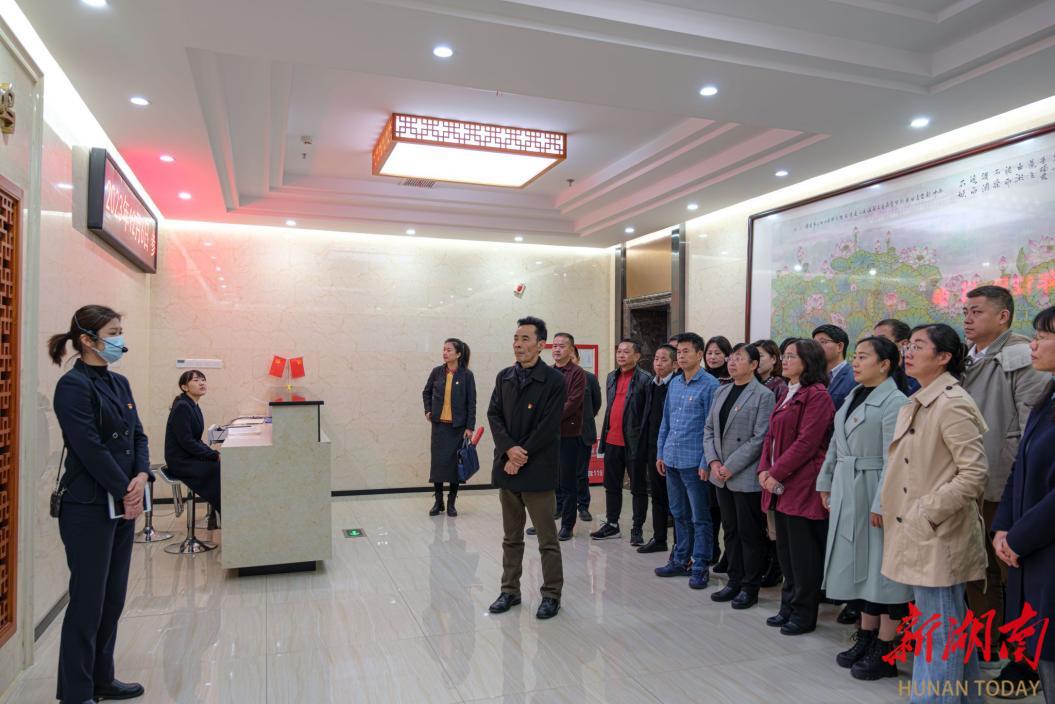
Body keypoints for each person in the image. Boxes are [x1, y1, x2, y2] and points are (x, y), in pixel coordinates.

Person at [881, 323, 988, 703]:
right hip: (921, 529)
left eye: (918, 346)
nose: (908, 352)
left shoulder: (952, 402)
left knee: (938, 632)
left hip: (939, 533)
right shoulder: (920, 398)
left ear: (943, 357)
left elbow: (974, 473)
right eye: (908, 346)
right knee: (947, 627)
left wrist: (926, 513)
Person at [48, 306, 151, 704]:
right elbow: (89, 447)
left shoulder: (119, 383)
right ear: (87, 340)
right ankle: (76, 692)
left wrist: (141, 475)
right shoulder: (72, 386)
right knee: (87, 601)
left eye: (120, 331)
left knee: (112, 598)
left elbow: (138, 435)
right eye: (113, 332)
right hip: (89, 507)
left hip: (123, 504)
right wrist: (126, 489)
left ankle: (102, 678)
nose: (120, 339)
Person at [961, 285, 1049, 685]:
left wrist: (1019, 487)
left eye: (977, 311)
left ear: (1003, 316)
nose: (968, 318)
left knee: (1013, 572)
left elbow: (1031, 429)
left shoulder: (1018, 355)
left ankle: (1025, 658)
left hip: (1004, 481)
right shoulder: (967, 358)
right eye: (966, 311)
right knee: (977, 570)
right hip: (971, 481)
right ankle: (987, 644)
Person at [816, 336, 911, 680]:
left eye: (863, 357)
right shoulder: (856, 394)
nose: (855, 363)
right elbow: (836, 444)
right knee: (862, 569)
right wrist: (826, 480)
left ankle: (886, 649)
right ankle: (866, 635)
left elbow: (894, 459)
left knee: (881, 574)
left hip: (874, 490)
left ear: (885, 364)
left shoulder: (896, 401)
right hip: (848, 486)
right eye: (855, 356)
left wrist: (881, 503)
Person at [993, 305, 1055, 699]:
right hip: (1032, 543)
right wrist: (1004, 526)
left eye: (1043, 337)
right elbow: (1021, 466)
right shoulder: (1047, 396)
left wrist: (1019, 537)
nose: (1033, 345)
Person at [487, 316, 566, 620]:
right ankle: (510, 590)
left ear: (540, 344)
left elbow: (548, 426)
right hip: (508, 468)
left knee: (547, 539)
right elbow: (494, 415)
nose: (518, 345)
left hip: (538, 470)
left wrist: (521, 454)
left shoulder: (554, 380)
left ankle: (551, 594)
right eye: (516, 338)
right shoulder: (504, 377)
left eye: (525, 339)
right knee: (511, 537)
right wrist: (509, 449)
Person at [758, 338, 835, 636]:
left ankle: (804, 612)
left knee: (804, 555)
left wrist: (775, 472)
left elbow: (807, 442)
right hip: (780, 483)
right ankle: (787, 605)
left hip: (803, 483)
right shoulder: (787, 391)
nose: (785, 361)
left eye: (792, 356)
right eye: (785, 356)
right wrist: (764, 469)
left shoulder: (817, 395)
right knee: (786, 551)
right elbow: (771, 436)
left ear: (809, 361)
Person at [703, 343, 775, 610]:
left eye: (739, 358)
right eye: (731, 358)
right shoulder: (721, 391)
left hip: (744, 475)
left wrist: (730, 466)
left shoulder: (764, 395)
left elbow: (760, 438)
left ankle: (750, 586)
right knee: (730, 530)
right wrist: (713, 461)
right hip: (720, 474)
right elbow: (709, 429)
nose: (732, 363)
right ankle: (734, 580)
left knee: (749, 533)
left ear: (754, 365)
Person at [654, 332, 720, 590]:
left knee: (699, 516)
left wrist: (706, 461)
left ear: (699, 354)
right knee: (679, 513)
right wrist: (661, 452)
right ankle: (681, 559)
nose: (680, 356)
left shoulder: (710, 385)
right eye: (679, 352)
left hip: (695, 463)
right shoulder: (675, 383)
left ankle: (700, 564)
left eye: (686, 351)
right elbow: (666, 421)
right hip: (671, 458)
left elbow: (711, 427)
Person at [593, 338, 652, 544]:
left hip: (634, 443)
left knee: (638, 488)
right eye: (619, 351)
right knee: (611, 485)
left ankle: (637, 528)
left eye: (626, 352)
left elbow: (647, 415)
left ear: (637, 356)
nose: (621, 355)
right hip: (612, 440)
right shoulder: (612, 376)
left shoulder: (645, 379)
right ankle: (612, 524)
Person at [422, 338, 477, 517]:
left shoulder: (467, 375)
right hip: (439, 427)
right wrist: (428, 410)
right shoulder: (437, 372)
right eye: (444, 349)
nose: (445, 353)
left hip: (457, 428)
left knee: (455, 466)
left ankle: (451, 502)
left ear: (458, 354)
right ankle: (438, 501)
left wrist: (470, 427)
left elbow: (471, 403)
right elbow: (426, 392)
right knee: (438, 465)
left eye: (449, 350)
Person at [753, 338, 787, 588]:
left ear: (774, 359)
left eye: (762, 356)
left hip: (768, 460)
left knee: (771, 521)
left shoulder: (779, 387)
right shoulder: (753, 384)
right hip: (755, 463)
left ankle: (774, 568)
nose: (756, 361)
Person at [164, 370, 222, 513]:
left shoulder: (192, 405)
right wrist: (213, 455)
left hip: (189, 456)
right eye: (196, 380)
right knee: (217, 469)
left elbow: (196, 440)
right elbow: (187, 441)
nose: (201, 383)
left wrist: (213, 453)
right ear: (184, 387)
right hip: (181, 461)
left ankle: (219, 511)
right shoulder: (182, 406)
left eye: (203, 380)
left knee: (220, 464)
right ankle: (221, 510)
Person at [638, 344, 677, 554]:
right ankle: (659, 538)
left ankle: (680, 545)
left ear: (674, 364)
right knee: (657, 495)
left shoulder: (676, 385)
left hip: (671, 449)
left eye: (664, 359)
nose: (658, 363)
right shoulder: (651, 384)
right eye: (656, 359)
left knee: (676, 500)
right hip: (653, 447)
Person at [551, 332, 586, 541]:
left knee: (567, 482)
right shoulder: (546, 372)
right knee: (547, 482)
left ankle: (567, 525)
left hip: (568, 434)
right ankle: (544, 522)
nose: (557, 349)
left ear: (571, 349)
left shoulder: (577, 373)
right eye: (554, 346)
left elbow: (573, 403)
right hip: (547, 436)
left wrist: (549, 417)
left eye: (562, 346)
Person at [573, 346, 600, 523]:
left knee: (581, 473)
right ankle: (559, 506)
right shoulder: (554, 376)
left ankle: (583, 506)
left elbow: (596, 404)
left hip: (583, 433)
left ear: (578, 359)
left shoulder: (589, 378)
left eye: (572, 358)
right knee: (559, 473)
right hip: (559, 435)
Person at [813, 324, 854, 411]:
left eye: (823, 342)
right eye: (814, 343)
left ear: (840, 346)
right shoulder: (813, 376)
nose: (816, 347)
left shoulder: (854, 376)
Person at [874, 318, 919, 395]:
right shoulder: (872, 369)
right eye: (874, 339)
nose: (874, 345)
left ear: (904, 344)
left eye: (881, 339)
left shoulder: (915, 375)